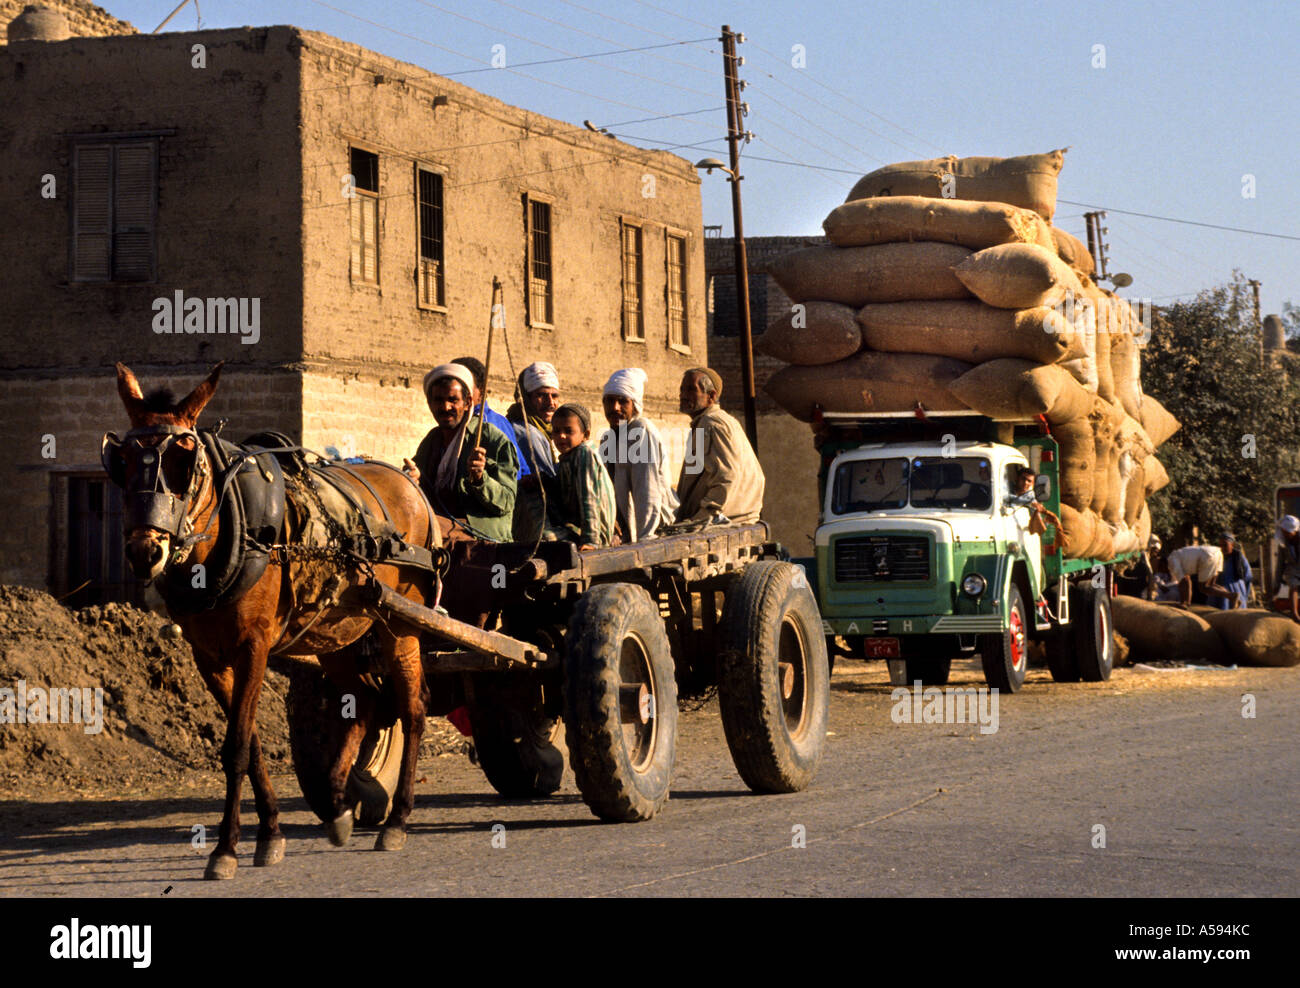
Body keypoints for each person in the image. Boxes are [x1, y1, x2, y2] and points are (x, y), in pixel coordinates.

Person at [403, 363, 517, 542]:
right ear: (429, 403)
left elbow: (507, 502)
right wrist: (415, 478)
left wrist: (480, 478)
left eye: (453, 400)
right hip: (438, 521)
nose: (445, 407)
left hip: (478, 533)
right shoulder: (432, 440)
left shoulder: (491, 439)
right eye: (438, 400)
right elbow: (427, 488)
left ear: (468, 402)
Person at [674, 367, 765, 526]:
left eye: (691, 390)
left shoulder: (711, 424)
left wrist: (701, 518)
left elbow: (727, 476)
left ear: (711, 396)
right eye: (682, 389)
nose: (683, 395)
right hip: (734, 522)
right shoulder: (721, 421)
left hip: (718, 526)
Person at [598, 367, 677, 542]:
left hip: (654, 526)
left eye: (622, 401)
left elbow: (647, 490)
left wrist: (645, 538)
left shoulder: (641, 431)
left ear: (635, 405)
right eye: (609, 401)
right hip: (627, 528)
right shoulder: (608, 438)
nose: (615, 408)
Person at [543, 403, 617, 550]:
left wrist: (591, 541)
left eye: (568, 431)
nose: (561, 436)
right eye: (556, 431)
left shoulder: (584, 453)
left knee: (546, 539)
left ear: (586, 435)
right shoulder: (568, 457)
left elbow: (589, 499)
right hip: (580, 529)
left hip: (594, 534)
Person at [452, 356, 530, 484]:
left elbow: (516, 473)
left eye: (464, 386)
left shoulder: (487, 426)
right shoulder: (449, 426)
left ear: (481, 392)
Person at [508, 361, 561, 542]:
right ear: (526, 398)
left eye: (554, 396)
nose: (550, 402)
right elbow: (547, 483)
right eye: (542, 396)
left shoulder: (544, 430)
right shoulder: (526, 433)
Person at [1164, 542, 1233, 606]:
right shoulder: (1178, 555)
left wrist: (1184, 603)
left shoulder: (1171, 561)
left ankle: (1230, 596)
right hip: (1217, 552)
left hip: (1207, 555)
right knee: (1211, 585)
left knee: (1203, 587)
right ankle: (1231, 596)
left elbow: (1185, 581)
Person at [1216, 531, 1252, 610]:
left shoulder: (1239, 558)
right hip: (1220, 594)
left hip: (1236, 591)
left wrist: (1244, 595)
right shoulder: (1216, 558)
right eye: (1220, 545)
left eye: (1225, 545)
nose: (1222, 548)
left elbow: (1248, 577)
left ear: (1232, 545)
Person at [1274, 514, 1300, 622]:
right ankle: (1294, 613)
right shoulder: (1283, 542)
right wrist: (1277, 583)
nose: (1286, 534)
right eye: (1285, 532)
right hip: (1292, 568)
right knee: (1293, 586)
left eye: (1288, 532)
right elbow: (1280, 563)